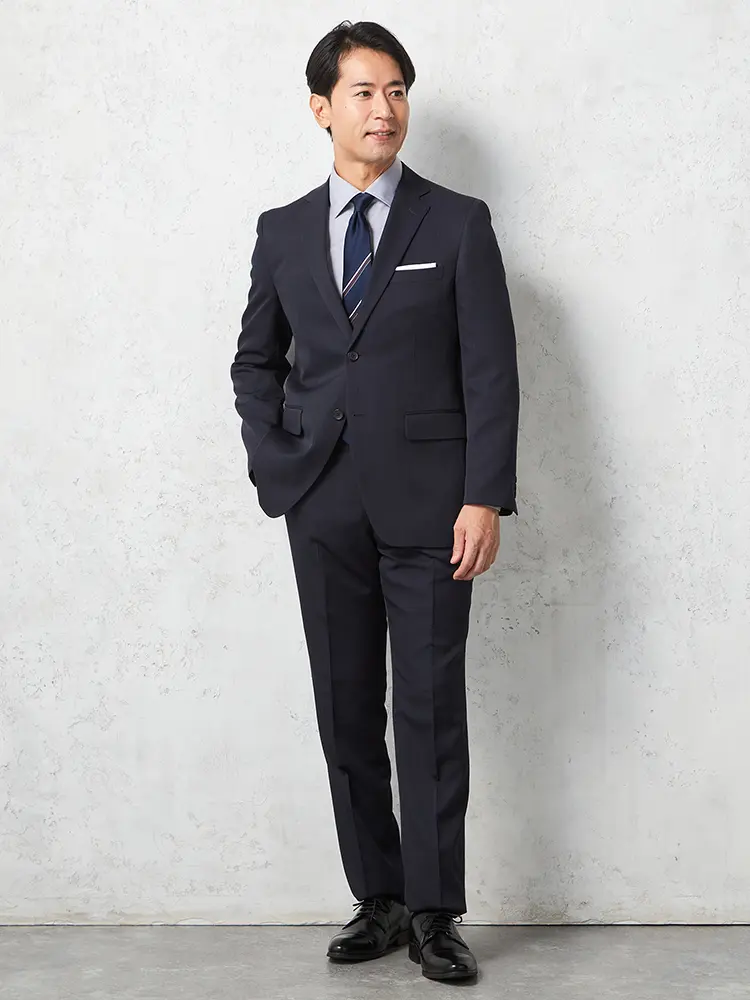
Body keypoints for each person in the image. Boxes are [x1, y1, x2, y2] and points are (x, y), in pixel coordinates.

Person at [230, 19, 520, 983]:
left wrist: (484, 496)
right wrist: (275, 462)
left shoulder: (457, 222)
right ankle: (381, 898)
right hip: (321, 502)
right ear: (322, 109)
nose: (385, 109)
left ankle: (436, 912)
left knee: (430, 710)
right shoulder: (281, 231)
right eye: (364, 92)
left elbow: (491, 371)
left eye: (397, 90)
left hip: (435, 507)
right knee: (346, 708)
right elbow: (255, 361)